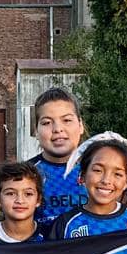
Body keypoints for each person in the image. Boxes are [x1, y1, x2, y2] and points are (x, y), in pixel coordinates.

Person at [47, 133, 127, 239]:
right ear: (82, 175)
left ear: (126, 182)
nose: (106, 180)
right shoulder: (65, 224)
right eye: (98, 170)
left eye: (117, 174)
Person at [28, 86, 88, 231]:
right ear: (36, 130)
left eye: (66, 120)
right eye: (47, 122)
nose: (57, 129)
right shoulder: (25, 174)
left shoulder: (100, 170)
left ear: (80, 126)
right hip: (42, 253)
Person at [0, 159, 45, 245]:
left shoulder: (48, 237)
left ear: (38, 200)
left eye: (28, 194)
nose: (20, 200)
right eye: (10, 193)